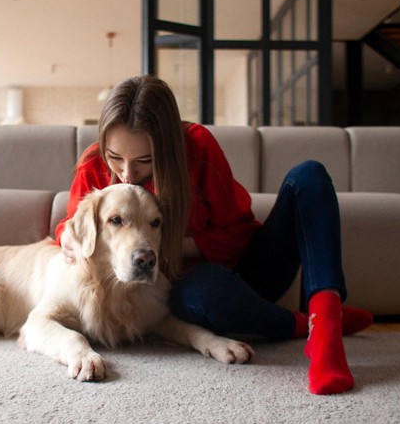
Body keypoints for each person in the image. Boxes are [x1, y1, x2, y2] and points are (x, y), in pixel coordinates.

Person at [54, 75, 373, 395]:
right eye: (115, 157)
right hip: (192, 295)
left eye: (145, 160)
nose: (126, 173)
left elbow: (239, 232)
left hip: (247, 272)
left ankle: (327, 327)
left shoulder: (197, 146)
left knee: (309, 174)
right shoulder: (93, 165)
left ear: (167, 146)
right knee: (201, 291)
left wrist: (168, 244)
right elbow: (72, 229)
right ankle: (301, 323)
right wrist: (67, 237)